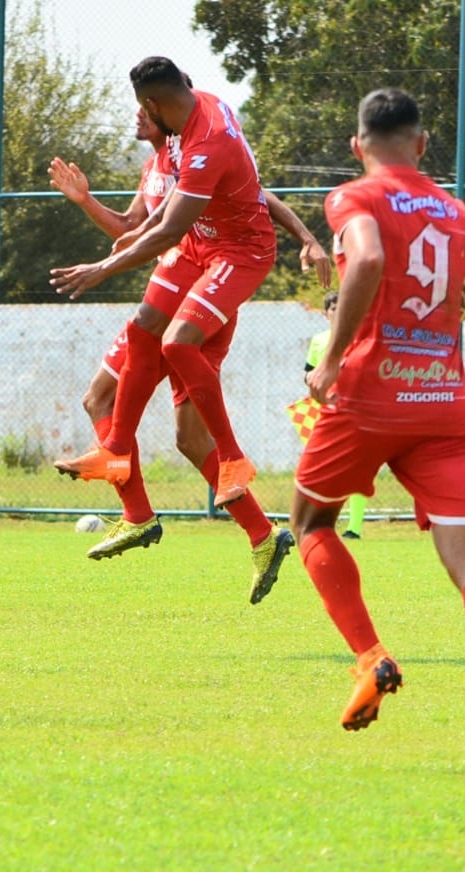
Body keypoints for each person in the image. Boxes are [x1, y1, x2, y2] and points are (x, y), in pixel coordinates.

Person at [291, 87, 465, 775]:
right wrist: (455, 310)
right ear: (423, 144)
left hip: (371, 394)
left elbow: (367, 261)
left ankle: (371, 658)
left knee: (311, 521)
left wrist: (336, 354)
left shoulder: (354, 197)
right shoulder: (457, 213)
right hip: (444, 403)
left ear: (357, 144)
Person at [48, 100, 327, 603]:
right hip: (174, 288)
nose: (136, 117)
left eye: (143, 110)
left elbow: (259, 200)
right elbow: (134, 231)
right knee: (187, 436)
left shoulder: (196, 150)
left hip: (202, 291)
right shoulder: (155, 166)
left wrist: (307, 236)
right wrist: (86, 202)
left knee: (104, 398)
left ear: (164, 112)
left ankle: (137, 511)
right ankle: (263, 534)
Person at [51, 55, 286, 514]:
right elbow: (148, 223)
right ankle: (119, 456)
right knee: (142, 333)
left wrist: (102, 268)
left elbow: (172, 228)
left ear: (154, 105)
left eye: (141, 109)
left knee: (177, 351)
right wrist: (95, 210)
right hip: (193, 255)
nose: (137, 117)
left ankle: (233, 463)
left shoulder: (206, 145)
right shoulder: (187, 132)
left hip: (234, 256)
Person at [302, 290, 367, 539]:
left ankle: (354, 527)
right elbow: (307, 371)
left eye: (343, 307)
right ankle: (320, 521)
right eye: (333, 308)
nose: (337, 312)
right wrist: (313, 379)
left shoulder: (360, 337)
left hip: (355, 409)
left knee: (357, 468)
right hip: (323, 409)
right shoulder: (318, 340)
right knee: (322, 466)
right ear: (326, 312)